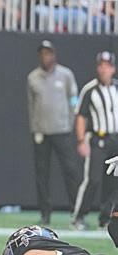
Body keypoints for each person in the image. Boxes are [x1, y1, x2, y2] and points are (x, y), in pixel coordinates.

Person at [27, 40, 80, 225]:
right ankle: (45, 213)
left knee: (70, 171)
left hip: (62, 130)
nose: (45, 57)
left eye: (48, 53)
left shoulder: (65, 75)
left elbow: (73, 100)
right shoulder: (33, 77)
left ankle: (76, 211)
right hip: (42, 132)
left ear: (54, 55)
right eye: (42, 53)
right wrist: (35, 129)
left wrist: (71, 123)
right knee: (42, 175)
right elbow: (31, 105)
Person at [72, 51, 118, 230]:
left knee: (113, 182)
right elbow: (81, 116)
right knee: (93, 180)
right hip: (98, 139)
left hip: (115, 140)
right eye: (101, 66)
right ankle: (79, 216)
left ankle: (105, 218)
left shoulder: (116, 88)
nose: (104, 69)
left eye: (107, 66)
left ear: (113, 69)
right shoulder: (90, 89)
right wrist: (81, 140)